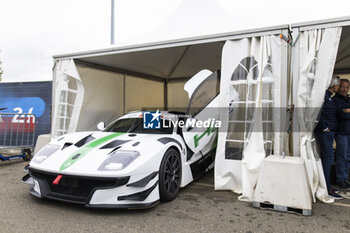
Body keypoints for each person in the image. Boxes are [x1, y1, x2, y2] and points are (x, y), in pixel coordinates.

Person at [315, 75, 342, 199]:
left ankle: (326, 184)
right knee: (328, 159)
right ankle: (326, 185)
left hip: (329, 131)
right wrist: (325, 128)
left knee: (328, 158)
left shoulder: (330, 97)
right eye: (338, 85)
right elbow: (319, 113)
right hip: (325, 132)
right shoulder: (324, 96)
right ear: (334, 85)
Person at [334, 78, 350, 190]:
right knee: (341, 157)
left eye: (347, 87)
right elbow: (340, 115)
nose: (344, 89)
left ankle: (346, 179)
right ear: (338, 87)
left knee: (348, 157)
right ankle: (341, 179)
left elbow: (345, 113)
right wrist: (345, 112)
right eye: (342, 87)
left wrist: (346, 111)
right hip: (341, 132)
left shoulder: (349, 99)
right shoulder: (335, 100)